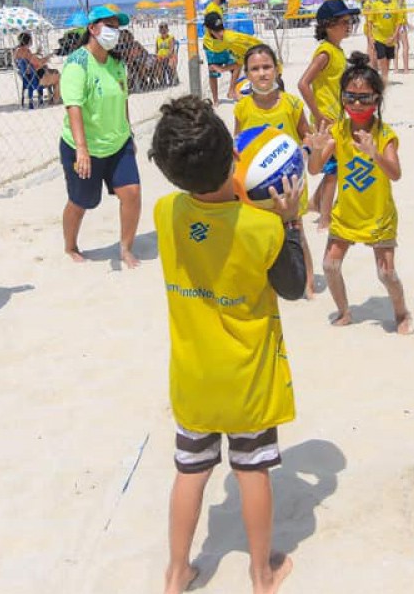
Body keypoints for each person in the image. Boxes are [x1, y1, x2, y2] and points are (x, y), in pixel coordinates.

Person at [149, 95, 304, 594]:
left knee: (190, 471)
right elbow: (295, 285)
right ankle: (262, 574)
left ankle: (177, 572)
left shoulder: (165, 211)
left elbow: (207, 212)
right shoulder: (264, 227)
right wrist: (291, 219)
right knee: (252, 470)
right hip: (247, 379)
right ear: (231, 158)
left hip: (193, 379)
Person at [305, 53, 412, 335]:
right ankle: (344, 311)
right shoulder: (339, 131)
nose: (356, 103)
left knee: (386, 273)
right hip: (347, 214)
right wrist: (316, 149)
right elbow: (315, 170)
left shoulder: (383, 134)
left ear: (376, 100)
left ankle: (402, 314)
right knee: (330, 265)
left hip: (378, 215)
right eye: (350, 96)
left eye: (364, 98)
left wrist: (374, 153)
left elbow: (396, 173)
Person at [52, 6, 142, 267]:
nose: (115, 31)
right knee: (82, 202)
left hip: (118, 143)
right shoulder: (77, 63)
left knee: (132, 193)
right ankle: (70, 245)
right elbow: (73, 106)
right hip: (84, 147)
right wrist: (81, 149)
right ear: (93, 28)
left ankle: (125, 248)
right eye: (110, 26)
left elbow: (123, 99)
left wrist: (129, 131)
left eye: (118, 27)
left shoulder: (116, 64)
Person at [235, 43, 315, 297]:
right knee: (262, 236)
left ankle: (308, 284)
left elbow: (307, 137)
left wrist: (305, 153)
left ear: (277, 69)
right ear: (247, 74)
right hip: (257, 188)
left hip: (290, 185)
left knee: (297, 232)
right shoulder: (243, 108)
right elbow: (238, 146)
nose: (262, 73)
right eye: (255, 69)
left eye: (267, 67)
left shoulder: (291, 103)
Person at [297, 0, 358, 231]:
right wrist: (319, 115)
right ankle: (325, 219)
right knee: (334, 170)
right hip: (326, 121)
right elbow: (303, 83)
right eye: (343, 21)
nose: (348, 25)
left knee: (338, 165)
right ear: (328, 25)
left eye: (349, 20)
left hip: (338, 118)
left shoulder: (337, 50)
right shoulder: (325, 52)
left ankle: (315, 203)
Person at [203, 13, 267, 103]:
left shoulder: (228, 38)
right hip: (211, 49)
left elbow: (239, 62)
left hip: (226, 46)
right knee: (213, 74)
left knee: (236, 67)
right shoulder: (213, 34)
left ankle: (231, 91)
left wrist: (222, 68)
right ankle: (215, 100)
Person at [368, 0, 400, 85]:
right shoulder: (375, 5)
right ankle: (383, 78)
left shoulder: (394, 5)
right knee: (381, 57)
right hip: (379, 36)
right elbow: (370, 22)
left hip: (390, 36)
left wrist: (394, 36)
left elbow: (398, 23)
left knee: (388, 58)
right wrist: (371, 37)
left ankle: (385, 76)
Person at [14, 31, 60, 102]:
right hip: (36, 79)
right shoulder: (26, 51)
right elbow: (40, 62)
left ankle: (51, 95)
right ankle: (55, 99)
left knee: (49, 70)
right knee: (57, 75)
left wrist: (36, 53)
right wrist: (49, 56)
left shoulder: (17, 51)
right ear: (29, 41)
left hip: (26, 78)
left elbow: (28, 60)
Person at [392, 0, 411, 74]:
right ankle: (406, 69)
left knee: (396, 46)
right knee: (406, 46)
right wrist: (403, 23)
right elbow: (399, 9)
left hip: (394, 23)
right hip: (400, 23)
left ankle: (395, 69)